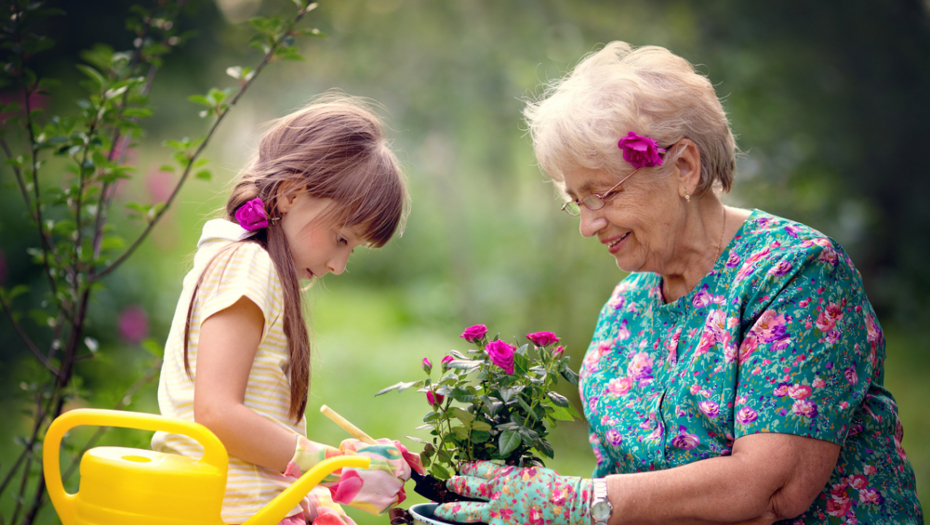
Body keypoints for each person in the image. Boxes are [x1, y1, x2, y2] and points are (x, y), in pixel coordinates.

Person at [435, 42, 922, 524]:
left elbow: (772, 490)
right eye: (577, 202)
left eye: (600, 195)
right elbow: (624, 493)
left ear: (684, 168)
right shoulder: (623, 311)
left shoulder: (796, 273)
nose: (587, 225)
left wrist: (578, 501)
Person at [152, 94, 421, 525]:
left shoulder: (254, 267)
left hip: (251, 503)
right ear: (292, 194)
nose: (339, 265)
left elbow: (253, 445)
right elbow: (216, 414)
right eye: (341, 239)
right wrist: (333, 470)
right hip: (231, 511)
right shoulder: (248, 264)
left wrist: (326, 483)